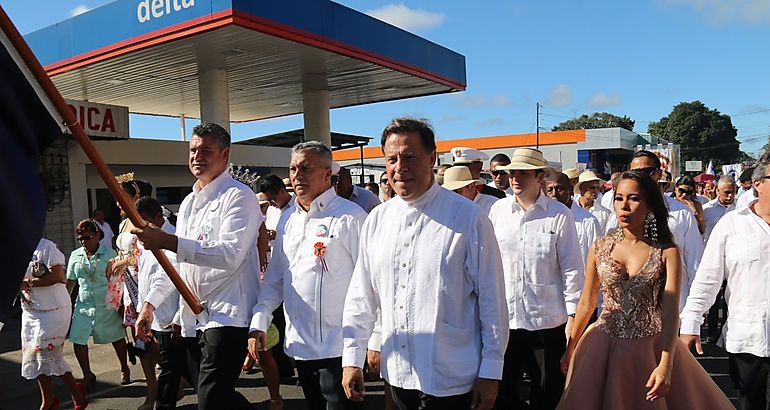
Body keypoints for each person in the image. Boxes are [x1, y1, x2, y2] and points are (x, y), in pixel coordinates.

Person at [342, 117, 509, 410]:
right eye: (391, 159)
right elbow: (362, 295)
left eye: (409, 157)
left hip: (452, 376)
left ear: (432, 158)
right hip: (398, 372)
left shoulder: (468, 218)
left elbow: (492, 300)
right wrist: (352, 356)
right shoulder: (378, 220)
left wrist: (491, 371)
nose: (399, 167)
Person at [558, 170, 732, 409]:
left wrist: (666, 363)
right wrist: (571, 347)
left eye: (634, 198)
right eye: (619, 198)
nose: (624, 206)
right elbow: (587, 303)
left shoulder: (667, 251)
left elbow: (671, 311)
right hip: (600, 346)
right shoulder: (599, 247)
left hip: (651, 348)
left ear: (650, 205)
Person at [132, 122, 261, 410]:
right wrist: (149, 306)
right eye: (193, 150)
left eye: (206, 150)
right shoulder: (189, 202)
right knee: (216, 395)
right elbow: (178, 265)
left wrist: (167, 240)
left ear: (225, 155)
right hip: (192, 316)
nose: (197, 157)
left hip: (228, 315)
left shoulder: (239, 197)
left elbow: (229, 254)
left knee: (210, 398)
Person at [249, 141, 366, 410]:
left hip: (340, 349)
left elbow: (369, 284)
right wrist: (259, 321)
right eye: (293, 168)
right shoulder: (288, 220)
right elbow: (276, 277)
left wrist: (367, 345)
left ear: (327, 174)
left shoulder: (350, 217)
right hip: (299, 347)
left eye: (305, 168)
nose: (297, 175)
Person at [488, 148, 584, 409]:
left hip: (547, 322)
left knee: (546, 392)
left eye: (523, 173)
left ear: (540, 176)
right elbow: (488, 264)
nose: (516, 178)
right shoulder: (497, 211)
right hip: (505, 320)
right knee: (504, 393)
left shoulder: (559, 215)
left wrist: (573, 319)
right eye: (512, 173)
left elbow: (572, 269)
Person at [681, 155, 770, 410]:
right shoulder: (732, 224)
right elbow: (708, 278)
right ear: (757, 184)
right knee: (748, 404)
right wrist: (691, 322)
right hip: (748, 338)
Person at [607, 151, 704, 311]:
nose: (641, 178)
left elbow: (695, 261)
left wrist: (696, 310)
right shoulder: (617, 216)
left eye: (647, 172)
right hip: (629, 312)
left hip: (673, 308)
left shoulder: (680, 214)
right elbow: (609, 263)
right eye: (635, 173)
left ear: (659, 174)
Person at [20, 238, 88, 410]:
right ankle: (49, 399)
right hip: (30, 311)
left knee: (49, 353)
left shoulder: (46, 247)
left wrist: (27, 283)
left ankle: (77, 394)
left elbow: (58, 276)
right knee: (33, 355)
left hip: (54, 309)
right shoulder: (13, 251)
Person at [133, 197, 185, 410]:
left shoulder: (172, 238)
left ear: (158, 216)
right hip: (153, 315)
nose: (142, 226)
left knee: (170, 368)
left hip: (170, 316)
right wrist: (142, 309)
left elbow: (176, 279)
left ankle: (165, 402)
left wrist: (179, 315)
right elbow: (146, 276)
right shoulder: (144, 239)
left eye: (146, 221)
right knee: (173, 367)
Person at [66, 219, 129, 391]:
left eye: (88, 237)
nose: (84, 241)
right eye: (81, 238)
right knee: (78, 340)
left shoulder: (110, 254)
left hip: (106, 304)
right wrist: (64, 303)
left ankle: (124, 367)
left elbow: (118, 282)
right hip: (83, 305)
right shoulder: (75, 255)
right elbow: (71, 281)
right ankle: (87, 373)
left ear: (98, 236)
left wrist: (121, 304)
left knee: (116, 337)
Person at [111, 173, 155, 390]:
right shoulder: (122, 224)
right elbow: (123, 252)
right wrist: (116, 261)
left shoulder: (143, 221)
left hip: (145, 284)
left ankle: (164, 379)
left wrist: (125, 261)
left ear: (135, 196)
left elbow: (146, 253)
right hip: (129, 287)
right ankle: (153, 383)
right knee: (138, 338)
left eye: (121, 196)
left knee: (151, 337)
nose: (118, 202)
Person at [546, 172, 601, 265]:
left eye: (559, 189)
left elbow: (596, 259)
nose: (554, 194)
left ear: (570, 191)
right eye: (550, 190)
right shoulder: (543, 220)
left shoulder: (588, 222)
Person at [702, 176, 737, 243]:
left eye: (733, 192)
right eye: (727, 192)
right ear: (718, 190)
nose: (730, 195)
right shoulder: (706, 209)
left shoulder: (740, 207)